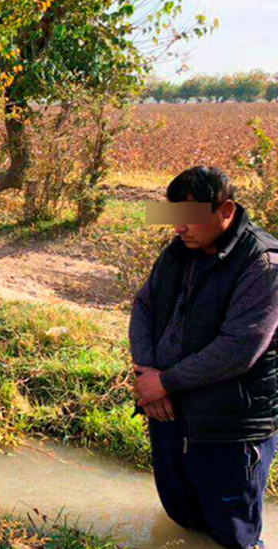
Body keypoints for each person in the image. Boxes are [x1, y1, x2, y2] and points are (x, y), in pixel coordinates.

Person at [130, 166, 278, 549]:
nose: (179, 227)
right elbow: (144, 306)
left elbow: (240, 348)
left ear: (225, 210)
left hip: (229, 424)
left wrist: (163, 382)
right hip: (169, 410)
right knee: (182, 511)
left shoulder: (262, 263)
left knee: (234, 533)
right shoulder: (179, 251)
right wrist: (148, 373)